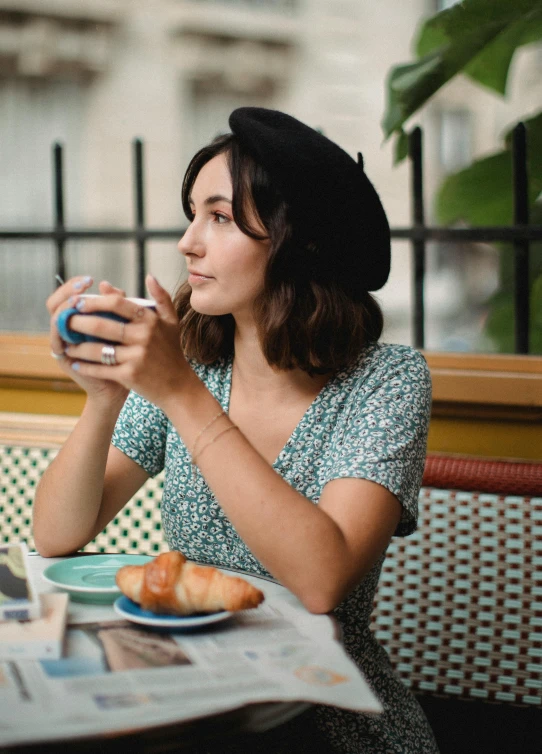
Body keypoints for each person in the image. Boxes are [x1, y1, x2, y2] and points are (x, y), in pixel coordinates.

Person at [34, 108, 438, 753]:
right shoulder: (194, 368)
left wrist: (182, 397)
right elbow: (56, 534)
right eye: (193, 214)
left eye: (219, 217)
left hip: (321, 713)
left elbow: (320, 580)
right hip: (188, 695)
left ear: (299, 239)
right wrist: (104, 400)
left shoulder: (386, 380)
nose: (187, 243)